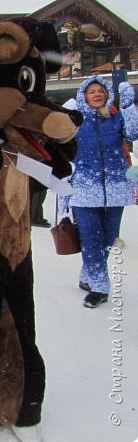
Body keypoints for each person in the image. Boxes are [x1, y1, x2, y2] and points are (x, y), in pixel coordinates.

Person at [65, 76, 138, 308]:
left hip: (116, 188)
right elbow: (57, 143)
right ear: (83, 97)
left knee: (108, 239)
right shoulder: (76, 122)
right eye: (91, 91)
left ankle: (88, 274)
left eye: (100, 91)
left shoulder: (116, 118)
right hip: (84, 189)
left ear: (107, 94)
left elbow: (134, 133)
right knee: (91, 239)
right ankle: (100, 286)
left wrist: (128, 106)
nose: (97, 94)